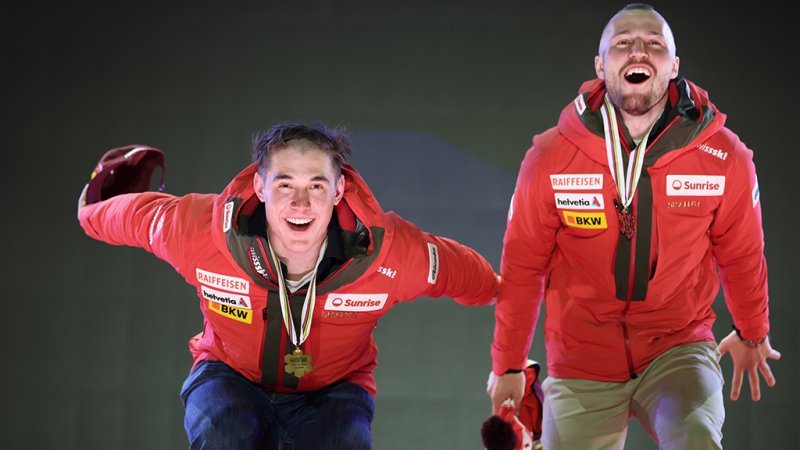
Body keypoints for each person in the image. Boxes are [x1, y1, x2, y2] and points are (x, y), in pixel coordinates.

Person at [78, 122, 499, 449]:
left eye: (316, 185)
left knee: (344, 442)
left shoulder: (387, 253)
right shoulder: (199, 231)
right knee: (224, 431)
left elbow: (473, 277)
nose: (301, 203)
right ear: (260, 188)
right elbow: (127, 216)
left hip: (334, 391)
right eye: (285, 185)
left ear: (339, 190)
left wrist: (509, 299)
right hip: (229, 376)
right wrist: (89, 212)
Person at [486, 4, 781, 449]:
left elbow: (741, 255)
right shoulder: (549, 157)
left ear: (674, 65)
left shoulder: (724, 157)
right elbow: (523, 268)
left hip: (677, 348)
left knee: (696, 437)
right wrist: (508, 365)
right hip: (581, 360)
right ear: (600, 65)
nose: (638, 51)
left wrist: (753, 331)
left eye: (654, 44)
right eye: (623, 43)